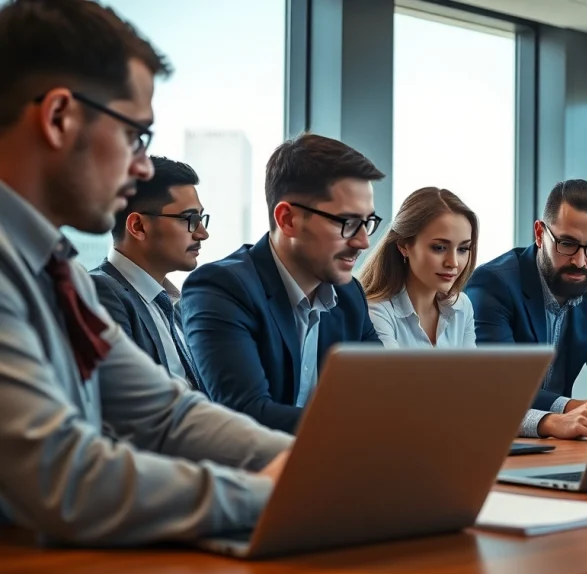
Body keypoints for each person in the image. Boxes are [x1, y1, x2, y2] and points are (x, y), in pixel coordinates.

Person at [0, 0, 290, 546]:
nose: (140, 167)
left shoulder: (52, 269)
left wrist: (311, 464)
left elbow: (167, 414)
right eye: (136, 135)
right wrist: (269, 492)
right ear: (59, 117)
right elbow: (65, 478)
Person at [180, 133, 384, 433]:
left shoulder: (349, 295)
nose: (364, 241)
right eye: (347, 223)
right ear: (288, 220)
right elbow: (247, 416)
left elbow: (383, 397)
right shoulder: (220, 288)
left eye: (367, 222)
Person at [467, 179, 587, 440]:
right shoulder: (493, 284)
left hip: (560, 444)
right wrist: (572, 407)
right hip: (500, 441)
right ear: (540, 234)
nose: (580, 261)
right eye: (567, 243)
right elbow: (502, 387)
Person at [90, 155, 210, 395]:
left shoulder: (174, 307)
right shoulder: (101, 293)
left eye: (201, 218)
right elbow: (129, 402)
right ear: (138, 226)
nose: (202, 233)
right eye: (190, 219)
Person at [361, 187, 478, 348]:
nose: (454, 263)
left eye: (463, 249)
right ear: (404, 246)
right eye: (439, 248)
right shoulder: (376, 312)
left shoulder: (462, 306)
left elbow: (472, 373)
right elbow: (392, 374)